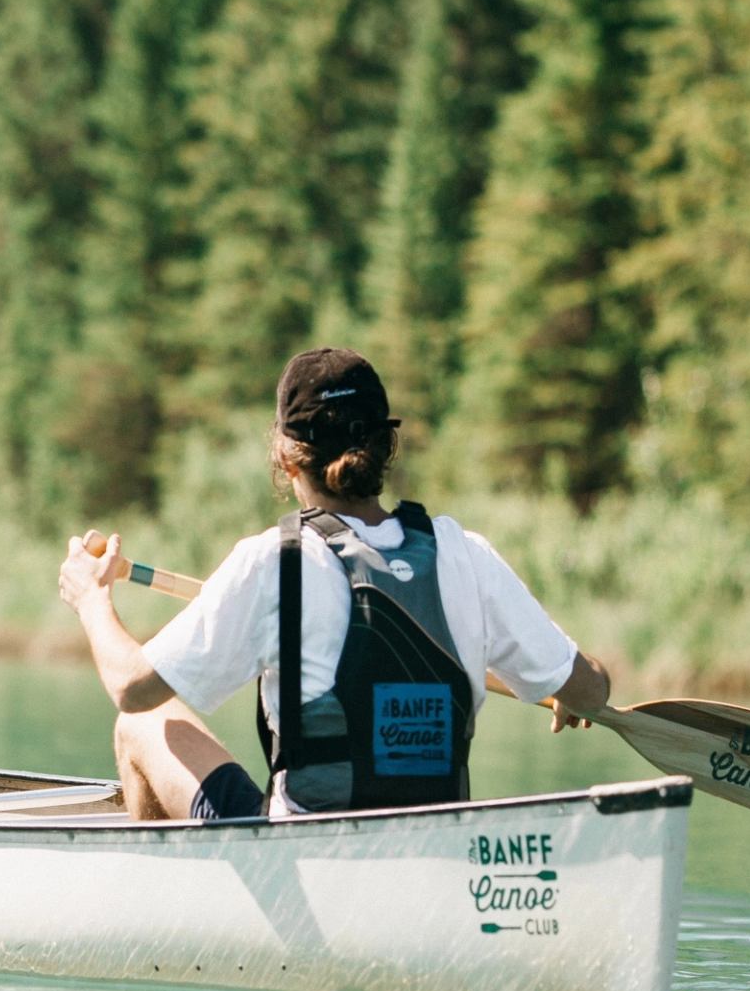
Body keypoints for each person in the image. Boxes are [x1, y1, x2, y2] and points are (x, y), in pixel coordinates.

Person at [57, 347, 610, 821]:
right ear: (386, 448)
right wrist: (565, 686)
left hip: (306, 855)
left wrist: (90, 599)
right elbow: (591, 691)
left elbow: (132, 687)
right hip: (432, 846)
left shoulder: (272, 562)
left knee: (142, 723)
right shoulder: (466, 554)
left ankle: (179, 922)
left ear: (286, 457)